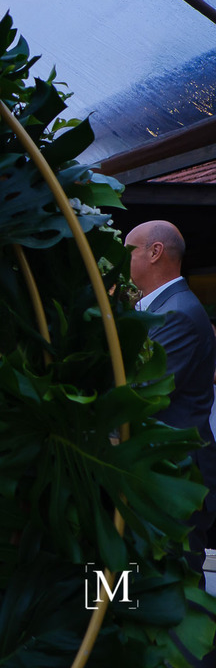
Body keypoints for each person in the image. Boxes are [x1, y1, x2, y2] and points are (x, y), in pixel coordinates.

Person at [125, 222, 216, 567]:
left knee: (175, 581)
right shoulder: (161, 308)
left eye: (128, 251)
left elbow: (143, 392)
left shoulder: (177, 312)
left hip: (174, 476)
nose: (121, 260)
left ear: (155, 252)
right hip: (160, 472)